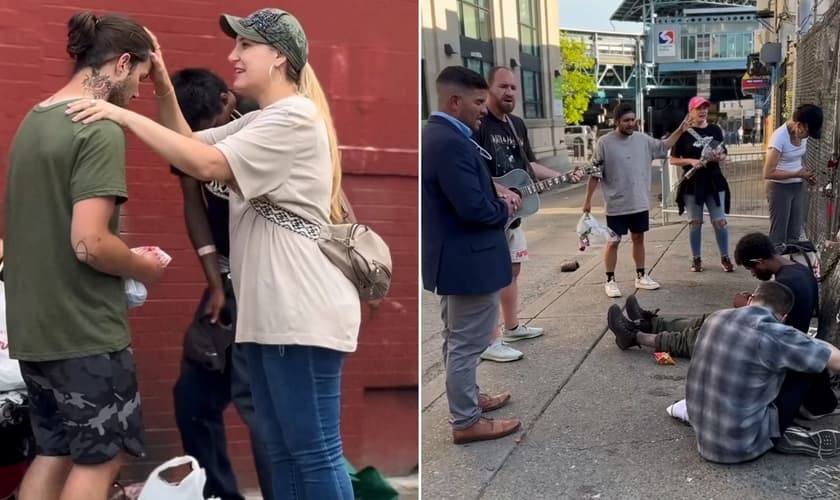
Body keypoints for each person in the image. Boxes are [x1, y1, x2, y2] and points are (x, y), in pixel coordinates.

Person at [69, 8, 360, 499]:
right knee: (284, 448)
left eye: (245, 45)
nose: (233, 55)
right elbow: (185, 146)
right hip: (272, 313)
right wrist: (161, 83)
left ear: (278, 58)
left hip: (300, 310)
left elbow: (205, 163)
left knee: (313, 451)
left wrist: (119, 111)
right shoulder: (267, 119)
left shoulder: (293, 118)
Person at [3, 12, 165, 500]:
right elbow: (90, 243)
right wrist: (143, 266)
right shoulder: (98, 128)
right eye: (138, 78)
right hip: (84, 332)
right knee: (102, 456)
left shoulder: (35, 120)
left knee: (54, 452)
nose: (137, 93)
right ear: (120, 64)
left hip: (34, 331)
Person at [167, 68, 272, 500]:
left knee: (260, 406)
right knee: (192, 400)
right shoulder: (185, 134)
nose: (203, 141)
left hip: (268, 282)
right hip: (228, 280)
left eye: (209, 131)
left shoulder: (262, 128)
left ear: (228, 103)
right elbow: (192, 203)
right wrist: (214, 280)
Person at [609, 232, 837, 420]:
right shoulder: (796, 271)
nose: (754, 274)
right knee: (712, 320)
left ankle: (636, 336)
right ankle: (652, 322)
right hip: (772, 338)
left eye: (752, 269)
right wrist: (748, 305)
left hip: (771, 344)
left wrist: (746, 306)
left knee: (705, 335)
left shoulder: (788, 282)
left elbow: (768, 325)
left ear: (759, 261)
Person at [422, 66, 521, 444]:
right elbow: (474, 210)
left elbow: (463, 191)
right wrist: (507, 208)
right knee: (467, 343)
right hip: (469, 262)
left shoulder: (439, 136)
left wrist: (491, 187)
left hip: (455, 260)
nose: (484, 108)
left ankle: (469, 400)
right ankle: (466, 420)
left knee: (456, 338)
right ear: (455, 101)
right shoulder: (449, 142)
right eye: (478, 102)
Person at [473, 66, 583, 362]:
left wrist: (564, 174)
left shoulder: (516, 125)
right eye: (502, 87)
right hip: (491, 211)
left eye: (513, 87)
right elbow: (473, 170)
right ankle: (490, 340)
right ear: (488, 89)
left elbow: (529, 165)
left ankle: (511, 328)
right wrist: (498, 190)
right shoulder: (480, 122)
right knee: (492, 275)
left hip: (515, 212)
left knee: (513, 270)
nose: (509, 93)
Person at [686, 281, 840, 464]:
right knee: (809, 363)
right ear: (783, 317)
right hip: (744, 446)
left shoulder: (715, 318)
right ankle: (814, 411)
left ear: (750, 300)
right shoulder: (774, 335)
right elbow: (835, 360)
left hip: (704, 438)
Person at [583, 104, 690, 298]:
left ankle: (641, 276)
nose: (631, 123)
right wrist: (588, 200)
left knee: (639, 238)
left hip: (639, 201)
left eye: (633, 120)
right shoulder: (604, 143)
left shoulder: (643, 140)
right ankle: (610, 280)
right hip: (616, 204)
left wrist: (681, 130)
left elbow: (664, 145)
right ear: (617, 122)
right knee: (613, 241)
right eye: (626, 120)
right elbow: (594, 174)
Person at [670, 96, 733, 272]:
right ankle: (696, 258)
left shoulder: (715, 129)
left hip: (714, 181)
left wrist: (719, 156)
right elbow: (673, 159)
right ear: (691, 111)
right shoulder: (684, 134)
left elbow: (723, 152)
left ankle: (725, 257)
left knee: (719, 221)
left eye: (705, 108)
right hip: (693, 184)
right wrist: (691, 161)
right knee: (694, 222)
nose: (702, 111)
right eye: (698, 108)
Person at [764, 104, 823, 245]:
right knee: (779, 235)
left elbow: (799, 159)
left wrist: (806, 174)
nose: (806, 137)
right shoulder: (779, 138)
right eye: (806, 133)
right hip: (779, 188)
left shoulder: (803, 134)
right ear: (799, 125)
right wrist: (797, 173)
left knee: (795, 232)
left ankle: (792, 263)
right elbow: (768, 172)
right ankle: (776, 263)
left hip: (797, 185)